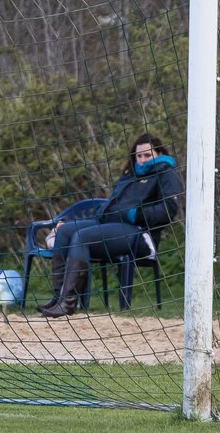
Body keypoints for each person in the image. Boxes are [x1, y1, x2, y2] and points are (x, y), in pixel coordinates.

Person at [39, 132, 183, 317]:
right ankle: (58, 298)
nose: (142, 159)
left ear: (159, 153)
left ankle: (68, 303)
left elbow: (168, 211)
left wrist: (135, 214)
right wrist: (104, 209)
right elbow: (117, 204)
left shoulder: (166, 173)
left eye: (147, 155)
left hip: (140, 235)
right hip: (113, 225)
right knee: (65, 230)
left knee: (81, 237)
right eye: (139, 155)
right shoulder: (129, 173)